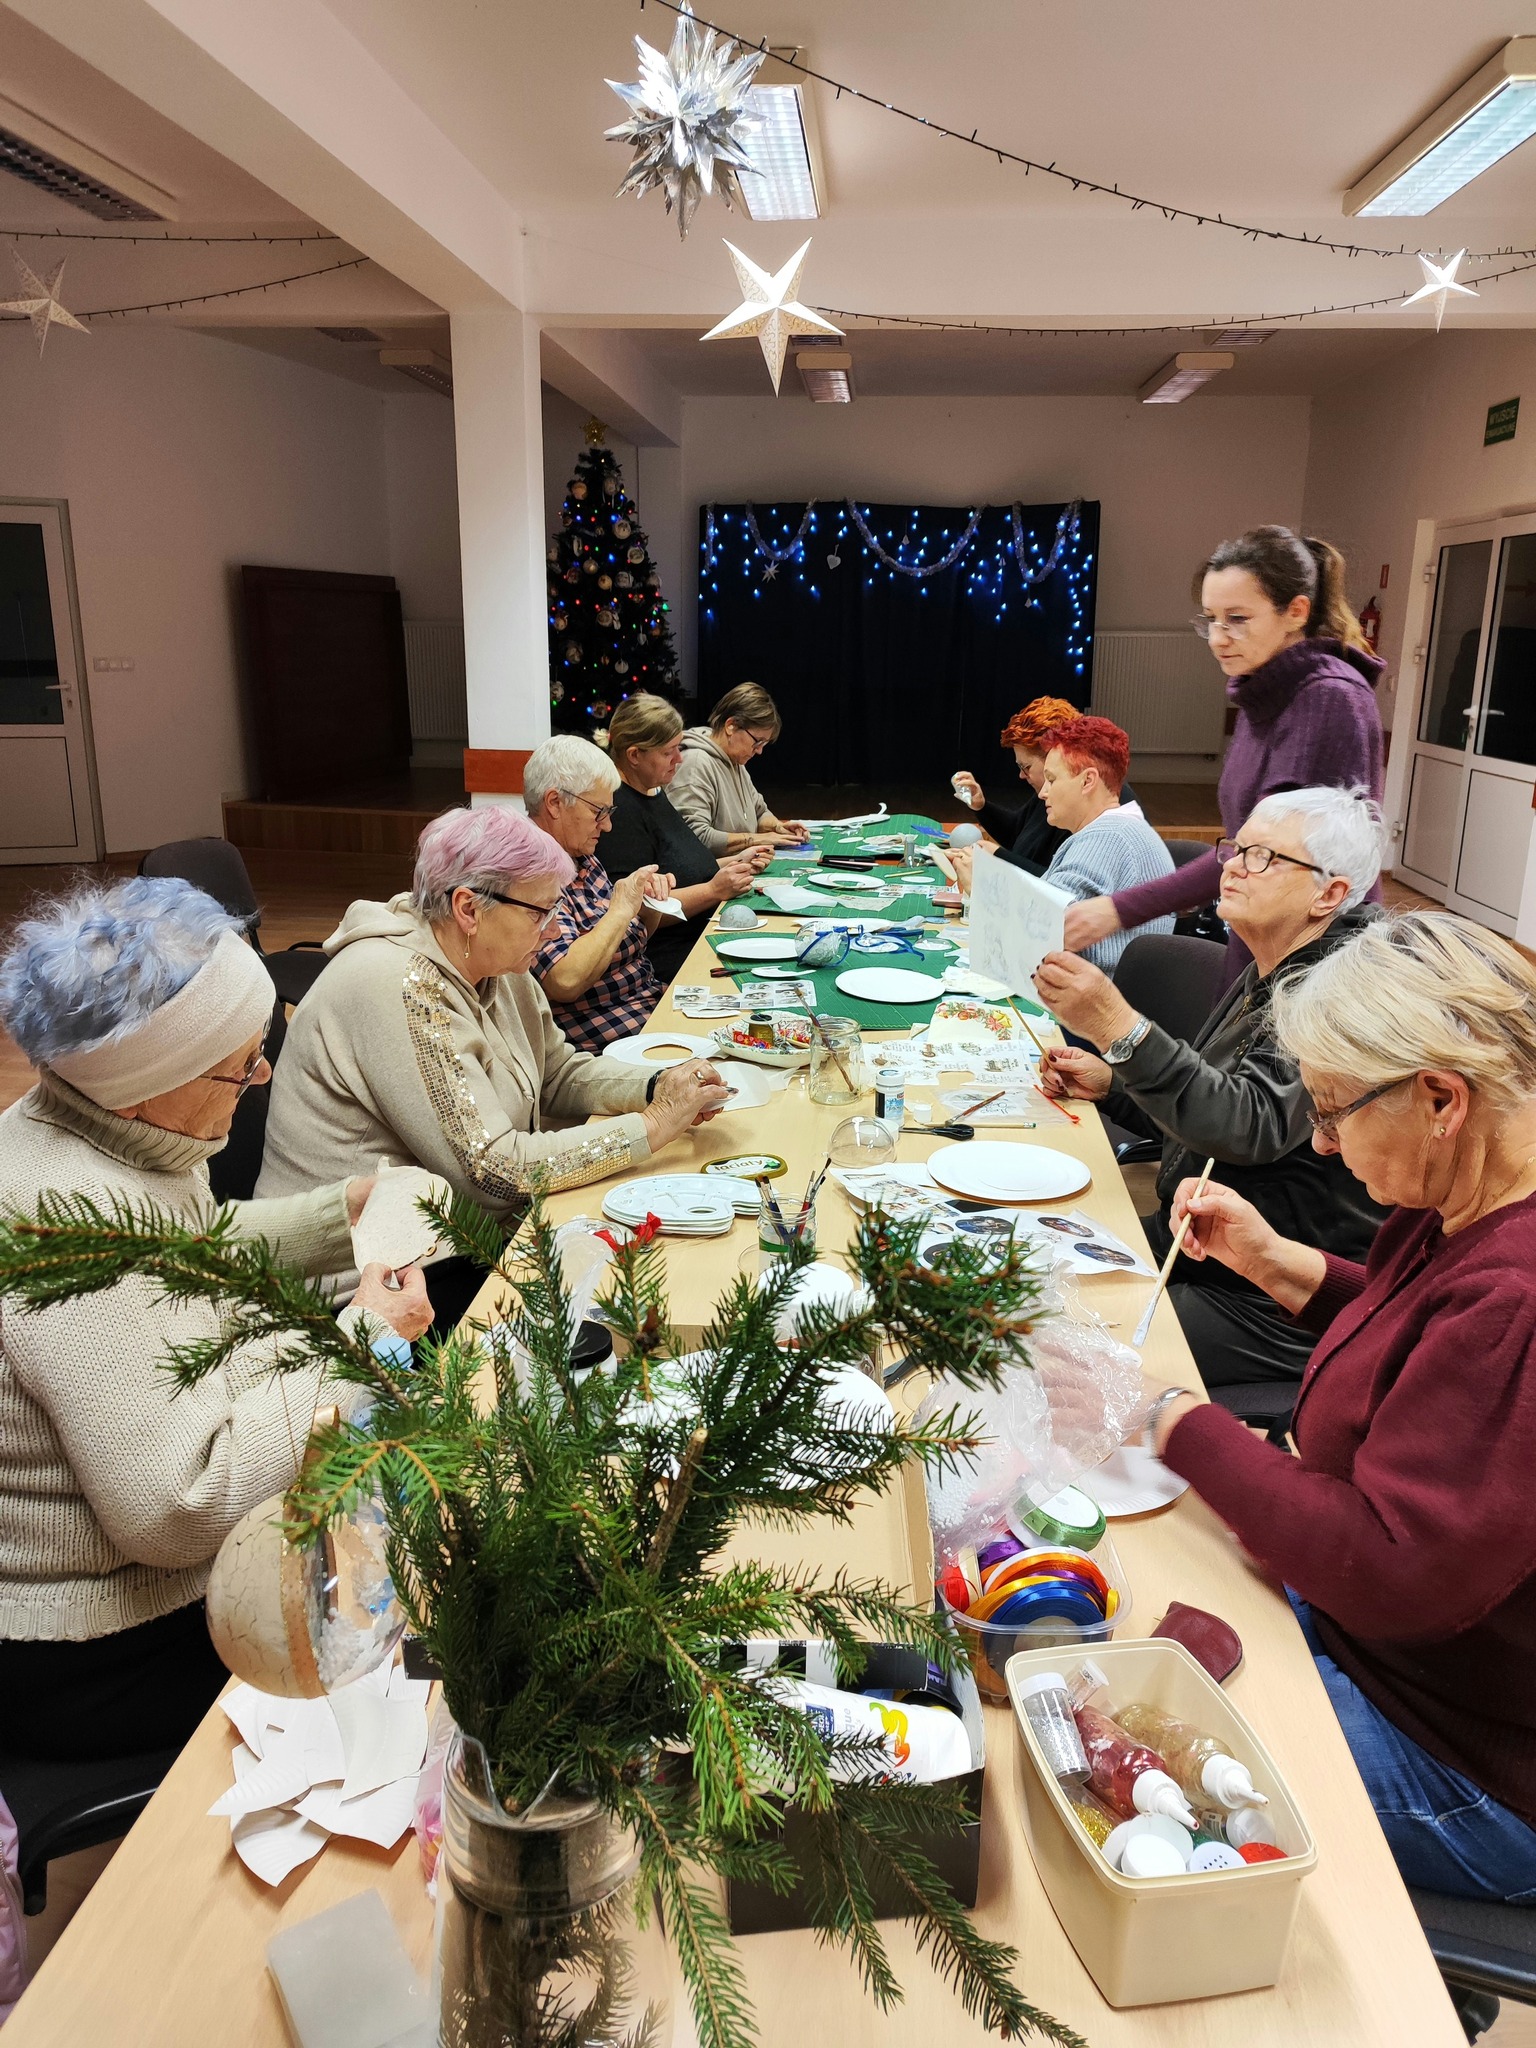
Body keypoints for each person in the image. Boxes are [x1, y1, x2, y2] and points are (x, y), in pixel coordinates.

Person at [1140, 910, 1536, 1913]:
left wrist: (1178, 1422)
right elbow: (1428, 1334)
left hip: (1469, 1757)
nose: (1320, 1140)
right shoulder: (1477, 1203)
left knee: (1127, 1759)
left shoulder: (1519, 1293)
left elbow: (1394, 1564)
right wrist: (1280, 1263)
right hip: (1394, 1653)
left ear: (1440, 1096)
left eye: (1333, 1110)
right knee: (1134, 1629)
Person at [0, 877, 431, 1760]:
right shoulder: (66, 1220)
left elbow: (179, 1249)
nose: (262, 1074)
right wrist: (365, 1341)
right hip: (96, 1644)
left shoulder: (105, 1128)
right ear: (145, 1082)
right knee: (431, 1630)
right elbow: (178, 1506)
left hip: (145, 1586)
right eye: (242, 1063)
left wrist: (336, 1214)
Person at [257, 806, 731, 1330]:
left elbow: (556, 1074)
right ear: (468, 908)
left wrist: (654, 1086)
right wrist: (653, 1125)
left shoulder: (495, 963)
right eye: (541, 913)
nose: (553, 933)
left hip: (450, 1243)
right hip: (365, 1290)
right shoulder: (399, 986)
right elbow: (494, 1174)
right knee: (623, 1310)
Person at [1033, 788, 1387, 1394]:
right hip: (1198, 1239)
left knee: (1058, 1367)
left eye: (1262, 858)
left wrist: (1119, 1028)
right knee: (1027, 1276)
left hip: (1264, 1292)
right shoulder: (1275, 961)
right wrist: (1114, 1086)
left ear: (1329, 893)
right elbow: (1211, 1112)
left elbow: (1243, 1128)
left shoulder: (1342, 991)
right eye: (1236, 849)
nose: (1232, 867)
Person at [1063, 526, 1384, 981]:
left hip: (1310, 960)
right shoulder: (1267, 693)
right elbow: (1246, 852)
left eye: (1237, 619)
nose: (1217, 637)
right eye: (1211, 619)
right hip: (1262, 932)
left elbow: (1269, 861)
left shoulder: (1329, 700)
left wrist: (1118, 909)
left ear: (1296, 611)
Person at [951, 715, 1174, 972]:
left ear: (1088, 781)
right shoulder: (1111, 830)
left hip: (1088, 1001)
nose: (1044, 792)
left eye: (1053, 780)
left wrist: (982, 889)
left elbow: (1044, 936)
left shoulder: (1106, 840)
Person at [598, 692, 764, 980]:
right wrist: (714, 890)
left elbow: (683, 866)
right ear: (634, 755)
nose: (679, 759)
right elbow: (635, 913)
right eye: (668, 752)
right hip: (670, 959)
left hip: (699, 938)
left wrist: (734, 861)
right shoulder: (620, 811)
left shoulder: (652, 790)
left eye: (679, 748)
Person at [524, 733, 671, 1054]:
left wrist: (648, 904)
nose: (606, 827)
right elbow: (564, 980)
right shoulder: (530, 872)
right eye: (598, 812)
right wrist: (621, 908)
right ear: (554, 803)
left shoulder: (582, 858)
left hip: (650, 1009)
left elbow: (633, 939)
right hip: (611, 1044)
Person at [952, 695, 1139, 875]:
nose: (1021, 775)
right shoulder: (1053, 791)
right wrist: (981, 806)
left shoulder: (1104, 810)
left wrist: (998, 857)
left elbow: (1063, 886)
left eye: (1026, 767)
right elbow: (1019, 836)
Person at [669, 683, 808, 855]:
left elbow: (759, 812)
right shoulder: (696, 764)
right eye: (757, 741)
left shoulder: (735, 761)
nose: (759, 751)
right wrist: (761, 839)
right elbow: (695, 837)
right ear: (731, 726)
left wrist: (778, 827)